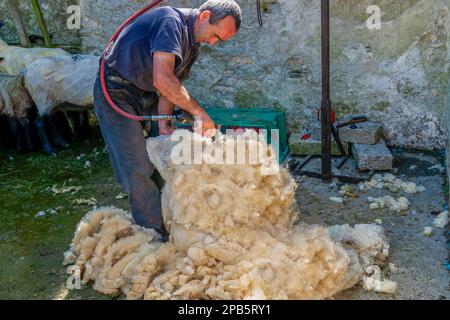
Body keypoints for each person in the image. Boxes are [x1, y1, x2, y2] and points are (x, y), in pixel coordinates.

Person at [93, 0, 242, 241]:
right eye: (215, 36)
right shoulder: (169, 22)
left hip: (146, 92)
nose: (213, 43)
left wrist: (163, 122)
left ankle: (168, 217)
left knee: (163, 154)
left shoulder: (191, 45)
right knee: (137, 167)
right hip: (117, 91)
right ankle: (153, 236)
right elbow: (163, 80)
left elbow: (170, 86)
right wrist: (199, 113)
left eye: (219, 41)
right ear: (204, 16)